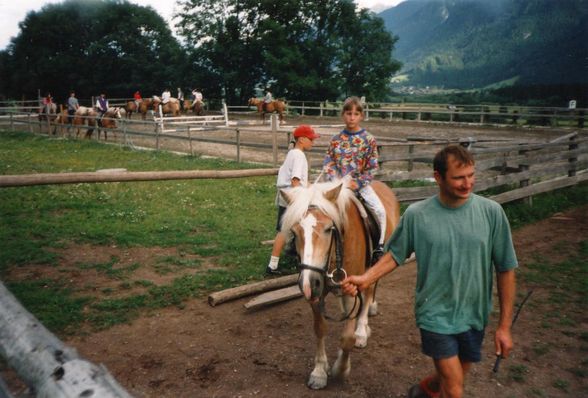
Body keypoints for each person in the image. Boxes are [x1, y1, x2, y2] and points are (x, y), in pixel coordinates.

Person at [341, 145, 518, 398]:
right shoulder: (418, 215)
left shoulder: (492, 213)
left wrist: (504, 327)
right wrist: (364, 279)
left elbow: (506, 269)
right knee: (455, 389)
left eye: (471, 175)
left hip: (474, 314)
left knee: (450, 377)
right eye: (458, 177)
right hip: (434, 313)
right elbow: (394, 255)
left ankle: (424, 391)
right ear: (438, 177)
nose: (467, 184)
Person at [323, 96, 387, 261]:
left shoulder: (369, 140)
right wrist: (336, 181)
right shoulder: (335, 140)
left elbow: (372, 167)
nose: (352, 117)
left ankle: (379, 246)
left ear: (361, 116)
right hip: (337, 185)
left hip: (359, 184)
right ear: (343, 115)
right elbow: (328, 162)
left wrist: (357, 183)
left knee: (380, 210)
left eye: (355, 114)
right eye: (348, 113)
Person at [266, 125, 320, 276]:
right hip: (291, 196)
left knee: (287, 229)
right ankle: (274, 265)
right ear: (301, 139)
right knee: (286, 230)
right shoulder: (298, 156)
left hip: (287, 194)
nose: (313, 143)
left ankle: (289, 257)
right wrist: (300, 200)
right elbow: (295, 180)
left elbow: (301, 180)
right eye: (311, 139)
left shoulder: (293, 153)